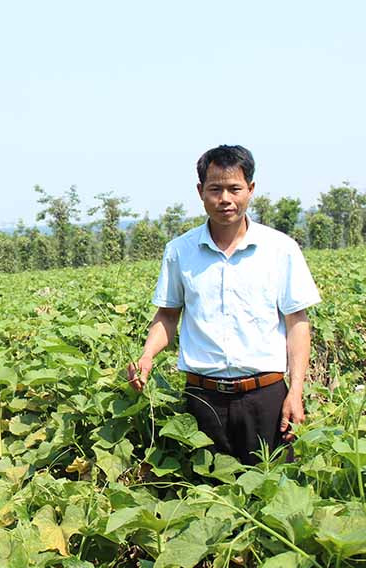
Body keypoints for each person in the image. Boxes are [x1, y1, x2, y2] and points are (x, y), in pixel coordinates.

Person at [127, 145, 320, 465]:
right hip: (202, 399)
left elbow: (296, 323)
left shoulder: (280, 249)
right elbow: (167, 315)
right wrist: (147, 355)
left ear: (251, 190)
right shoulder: (180, 251)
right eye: (215, 189)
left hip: (266, 396)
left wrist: (295, 390)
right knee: (206, 497)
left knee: (269, 494)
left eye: (235, 188)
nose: (225, 199)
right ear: (201, 191)